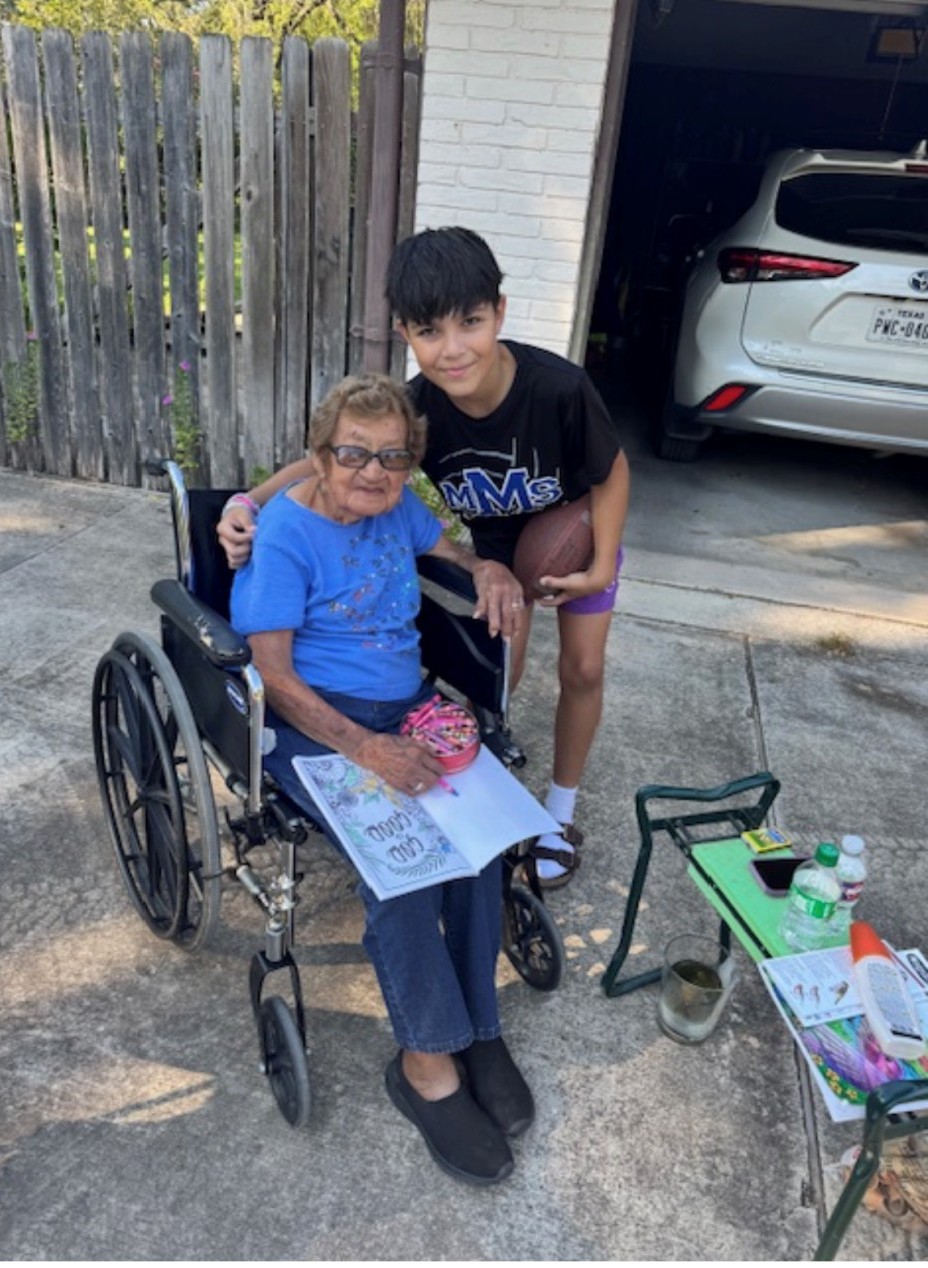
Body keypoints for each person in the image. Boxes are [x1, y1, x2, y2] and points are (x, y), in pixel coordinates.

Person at [220, 226, 631, 889]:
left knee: (583, 667)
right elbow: (330, 455)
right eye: (430, 331)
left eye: (470, 323)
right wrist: (248, 501)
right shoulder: (421, 406)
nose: (453, 348)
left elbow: (611, 473)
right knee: (497, 670)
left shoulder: (558, 387)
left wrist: (604, 562)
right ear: (406, 332)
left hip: (578, 529)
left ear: (498, 312)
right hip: (497, 542)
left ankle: (559, 812)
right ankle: (481, 771)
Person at [230, 373, 531, 1186]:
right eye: (354, 454)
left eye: (393, 457)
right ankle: (425, 1065)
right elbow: (276, 679)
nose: (373, 472)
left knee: (478, 845)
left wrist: (491, 569)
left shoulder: (397, 508)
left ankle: (477, 1031)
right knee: (403, 872)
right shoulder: (287, 535)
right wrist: (368, 749)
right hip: (317, 729)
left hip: (409, 709)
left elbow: (450, 552)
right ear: (319, 456)